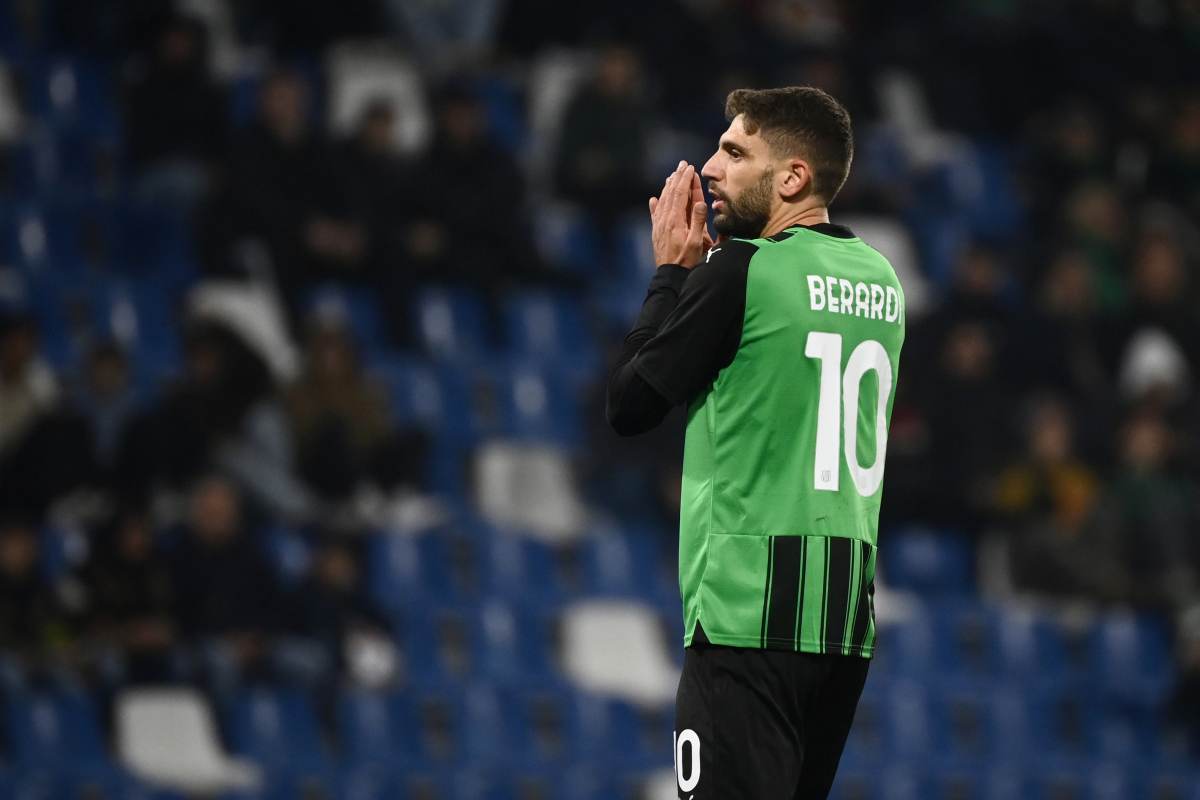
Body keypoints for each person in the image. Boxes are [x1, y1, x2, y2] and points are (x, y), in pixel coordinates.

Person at [606, 87, 904, 799]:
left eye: (735, 153)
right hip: (841, 623)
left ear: (793, 177)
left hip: (746, 616)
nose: (711, 167)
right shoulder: (883, 281)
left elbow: (629, 407)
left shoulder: (741, 269)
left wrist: (671, 275)